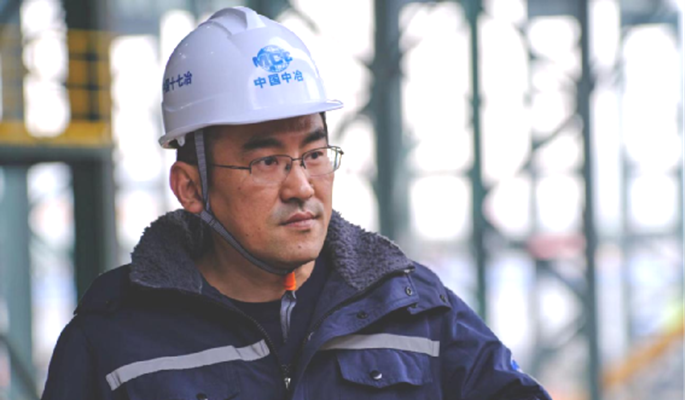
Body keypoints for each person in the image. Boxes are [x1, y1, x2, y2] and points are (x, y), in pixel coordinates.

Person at [42, 6, 552, 400]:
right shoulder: (114, 341)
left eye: (314, 154)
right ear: (190, 188)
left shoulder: (414, 310)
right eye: (267, 162)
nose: (302, 187)